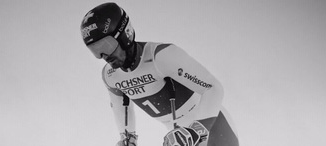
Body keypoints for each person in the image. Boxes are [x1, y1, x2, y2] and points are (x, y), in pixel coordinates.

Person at [80, 2, 239, 146]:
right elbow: (121, 110)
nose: (105, 57)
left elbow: (214, 88)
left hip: (214, 126)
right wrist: (128, 140)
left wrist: (195, 130)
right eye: (96, 50)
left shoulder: (161, 56)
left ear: (124, 35)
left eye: (106, 46)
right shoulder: (110, 76)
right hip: (179, 137)